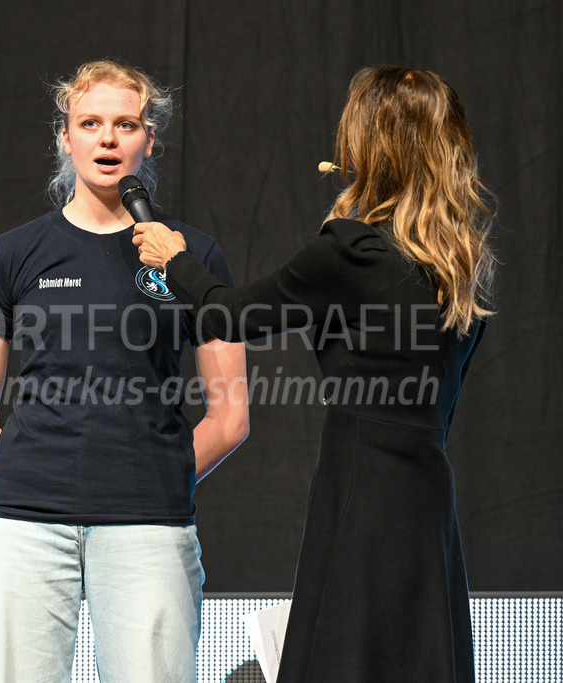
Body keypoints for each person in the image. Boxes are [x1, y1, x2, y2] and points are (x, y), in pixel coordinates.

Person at [134, 66, 496, 682]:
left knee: (346, 652)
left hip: (362, 490)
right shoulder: (459, 265)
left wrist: (176, 261)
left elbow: (229, 315)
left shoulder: (351, 252)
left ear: (370, 144)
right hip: (426, 493)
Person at [0, 58, 250, 682]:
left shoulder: (193, 256)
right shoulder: (11, 255)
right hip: (25, 528)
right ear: (66, 137)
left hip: (150, 527)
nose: (107, 138)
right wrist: (38, 478)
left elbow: (230, 417)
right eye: (90, 122)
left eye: (126, 124)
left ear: (150, 140)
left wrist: (156, 476)